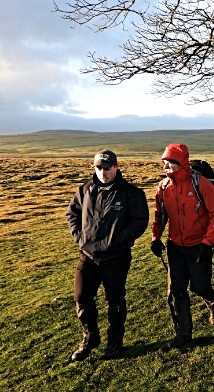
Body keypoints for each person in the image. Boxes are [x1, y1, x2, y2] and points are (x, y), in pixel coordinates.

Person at [65, 150, 149, 361]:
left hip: (116, 257)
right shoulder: (85, 190)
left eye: (107, 168)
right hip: (88, 254)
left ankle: (115, 342)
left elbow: (139, 222)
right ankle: (90, 338)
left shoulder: (130, 193)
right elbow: (72, 214)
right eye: (99, 168)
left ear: (116, 167)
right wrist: (79, 237)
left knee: (115, 299)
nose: (103, 172)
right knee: (82, 297)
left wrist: (117, 241)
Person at [150, 144, 214, 349]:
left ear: (181, 162)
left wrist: (207, 242)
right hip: (175, 246)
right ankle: (183, 334)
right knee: (176, 291)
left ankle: (213, 304)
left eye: (170, 162)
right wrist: (155, 237)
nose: (165, 165)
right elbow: (160, 215)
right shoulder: (164, 187)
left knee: (199, 286)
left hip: (199, 245)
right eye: (164, 161)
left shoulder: (200, 184)